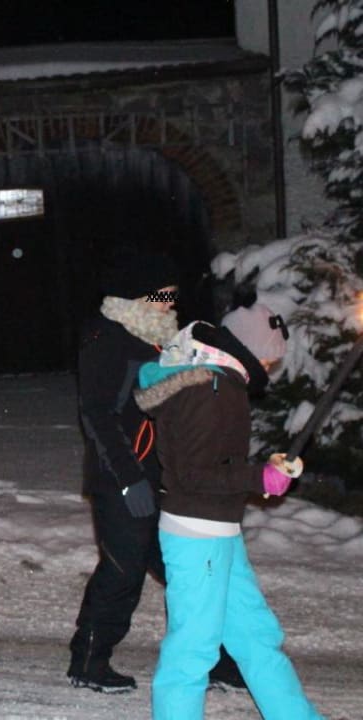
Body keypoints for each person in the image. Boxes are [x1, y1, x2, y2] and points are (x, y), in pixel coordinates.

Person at [134, 304, 325, 719]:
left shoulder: (220, 383)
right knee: (193, 650)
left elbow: (215, 460)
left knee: (256, 635)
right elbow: (195, 474)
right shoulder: (210, 389)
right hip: (196, 533)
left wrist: (264, 470)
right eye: (271, 354)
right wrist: (259, 478)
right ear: (252, 349)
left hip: (219, 529)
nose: (273, 363)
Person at [67, 248, 182, 693]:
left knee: (183, 568)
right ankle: (89, 659)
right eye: (165, 295)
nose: (172, 303)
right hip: (122, 477)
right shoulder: (108, 335)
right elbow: (96, 412)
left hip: (164, 476)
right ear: (140, 294)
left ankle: (210, 655)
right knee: (123, 569)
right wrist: (128, 475)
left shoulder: (159, 336)